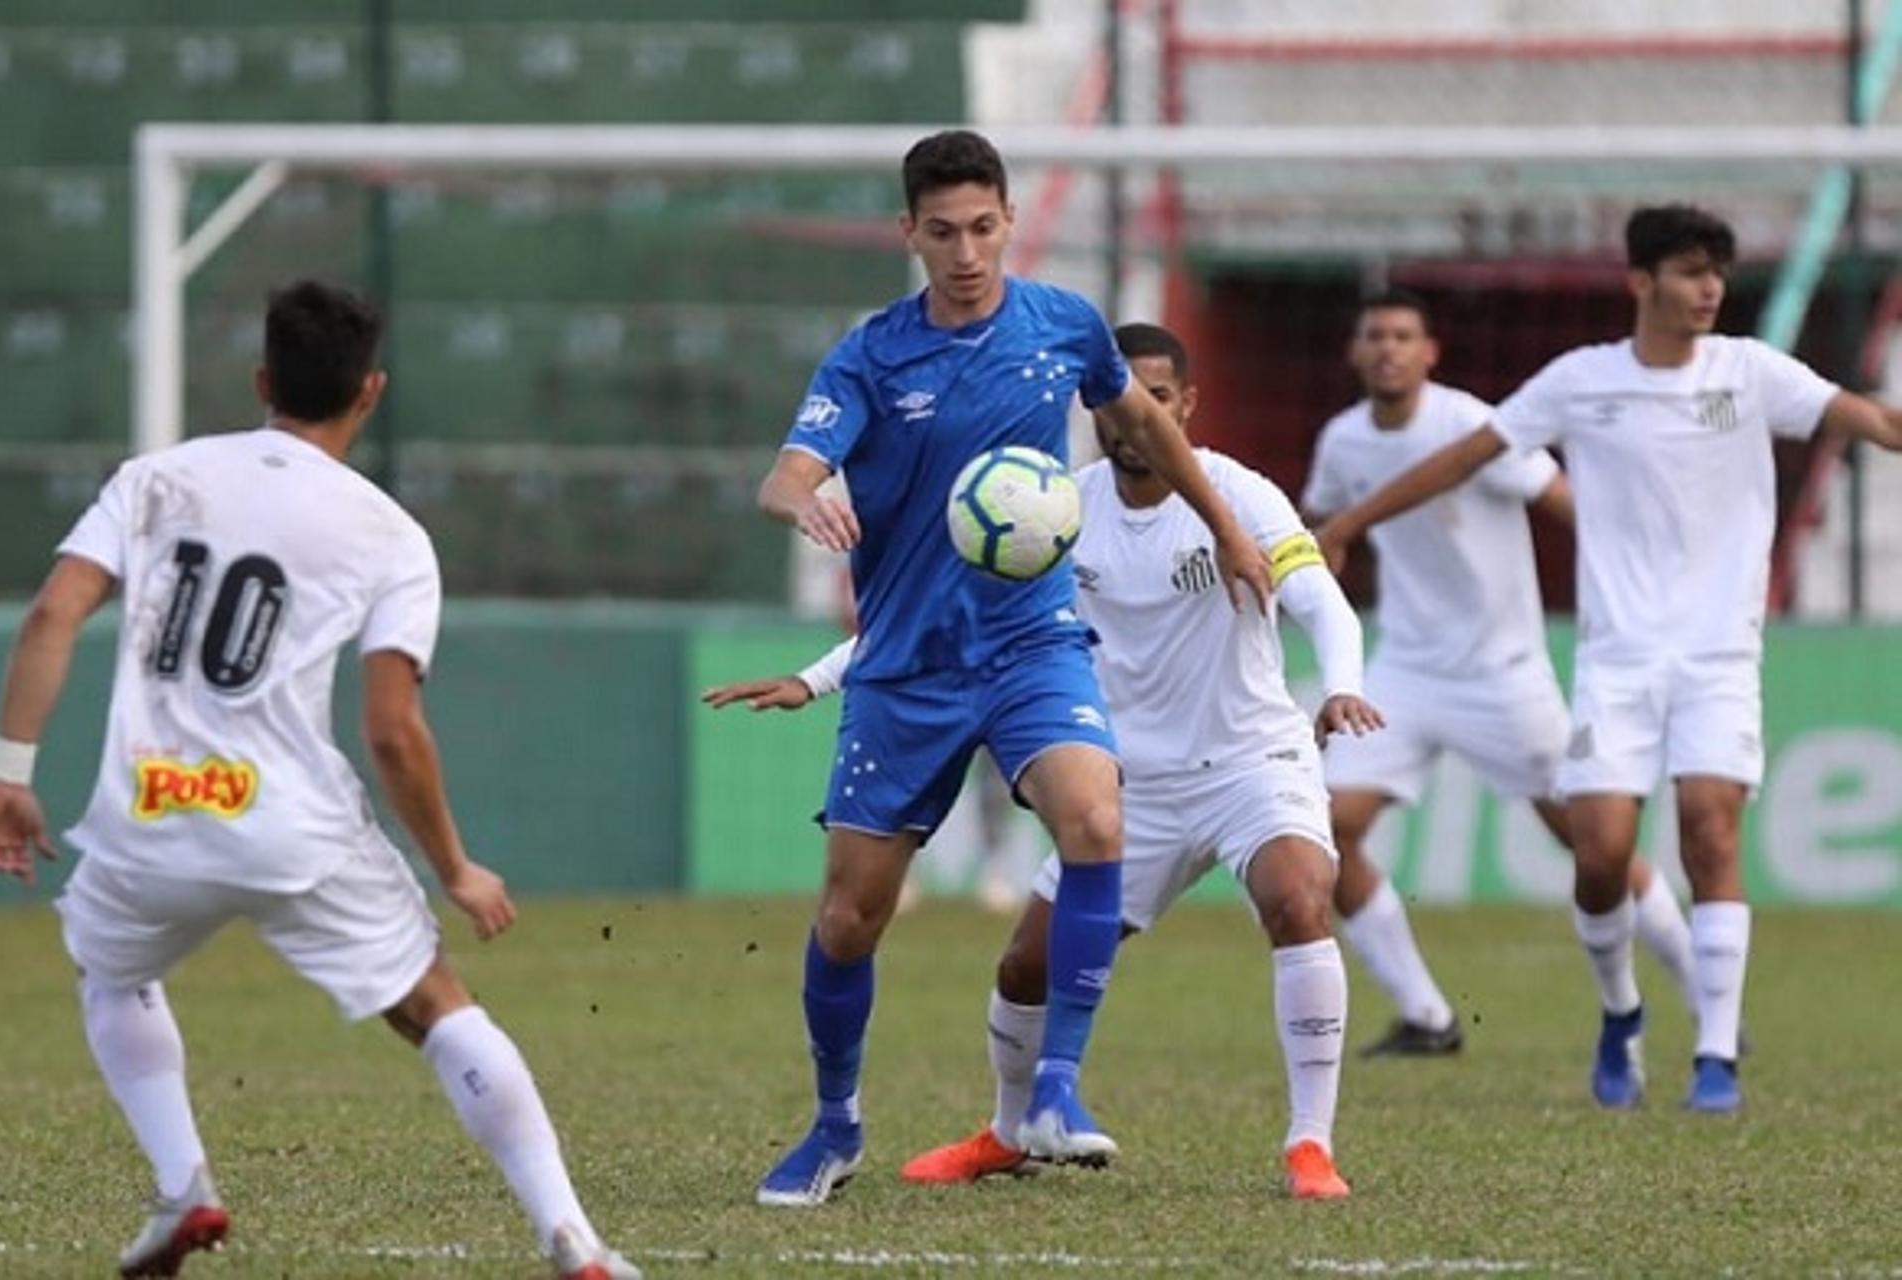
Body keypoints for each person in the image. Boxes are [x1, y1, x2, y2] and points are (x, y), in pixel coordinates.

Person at [0, 282, 637, 1279]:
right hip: (288, 823)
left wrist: (10, 770)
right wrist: (454, 866)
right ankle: (573, 1240)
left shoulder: (156, 478)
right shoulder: (389, 535)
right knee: (433, 1004)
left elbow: (51, 614)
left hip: (152, 811)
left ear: (261, 380)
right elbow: (391, 729)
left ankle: (184, 1183)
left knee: (109, 970)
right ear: (368, 391)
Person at [713, 322, 1376, 1199]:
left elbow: (1321, 600)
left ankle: (1309, 1147)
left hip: (1252, 761)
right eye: (1119, 402)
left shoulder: (1236, 495)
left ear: (1184, 407)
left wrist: (1340, 684)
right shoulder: (1047, 508)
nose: (1133, 420)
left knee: (1298, 898)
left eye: (1159, 400)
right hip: (1128, 781)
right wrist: (817, 678)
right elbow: (948, 625)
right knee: (1026, 965)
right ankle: (1010, 1127)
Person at [748, 131, 1272, 1206]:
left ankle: (1056, 1089)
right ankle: (834, 1121)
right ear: (911, 233)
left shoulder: (1065, 325)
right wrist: (805, 497)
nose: (967, 251)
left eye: (983, 227)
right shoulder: (869, 356)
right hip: (906, 662)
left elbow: (1141, 425)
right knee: (851, 916)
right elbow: (787, 472)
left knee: (1096, 821)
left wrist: (1223, 522)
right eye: (942, 232)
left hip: (1033, 639)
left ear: (1009, 221)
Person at [1316, 205, 1902, 1113]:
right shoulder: (1579, 382)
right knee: (1598, 857)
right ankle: (1617, 1010)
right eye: (1689, 271)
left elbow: (1867, 417)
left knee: (1711, 828)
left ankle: (1715, 1055)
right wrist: (1346, 525)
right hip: (1610, 661)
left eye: (1718, 272)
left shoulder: (1750, 372)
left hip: (1705, 654)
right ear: (1641, 283)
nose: (1709, 288)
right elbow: (1464, 459)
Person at [1302, 289, 1699, 1057]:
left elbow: (1565, 500)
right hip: (1405, 670)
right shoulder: (1342, 440)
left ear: (1429, 353)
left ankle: (1704, 996)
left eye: (1403, 336)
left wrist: (1646, 568)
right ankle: (1427, 1016)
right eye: (1375, 335)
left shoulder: (1471, 427)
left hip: (1502, 674)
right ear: (1354, 353)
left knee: (1595, 846)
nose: (1388, 348)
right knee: (1322, 832)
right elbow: (1316, 526)